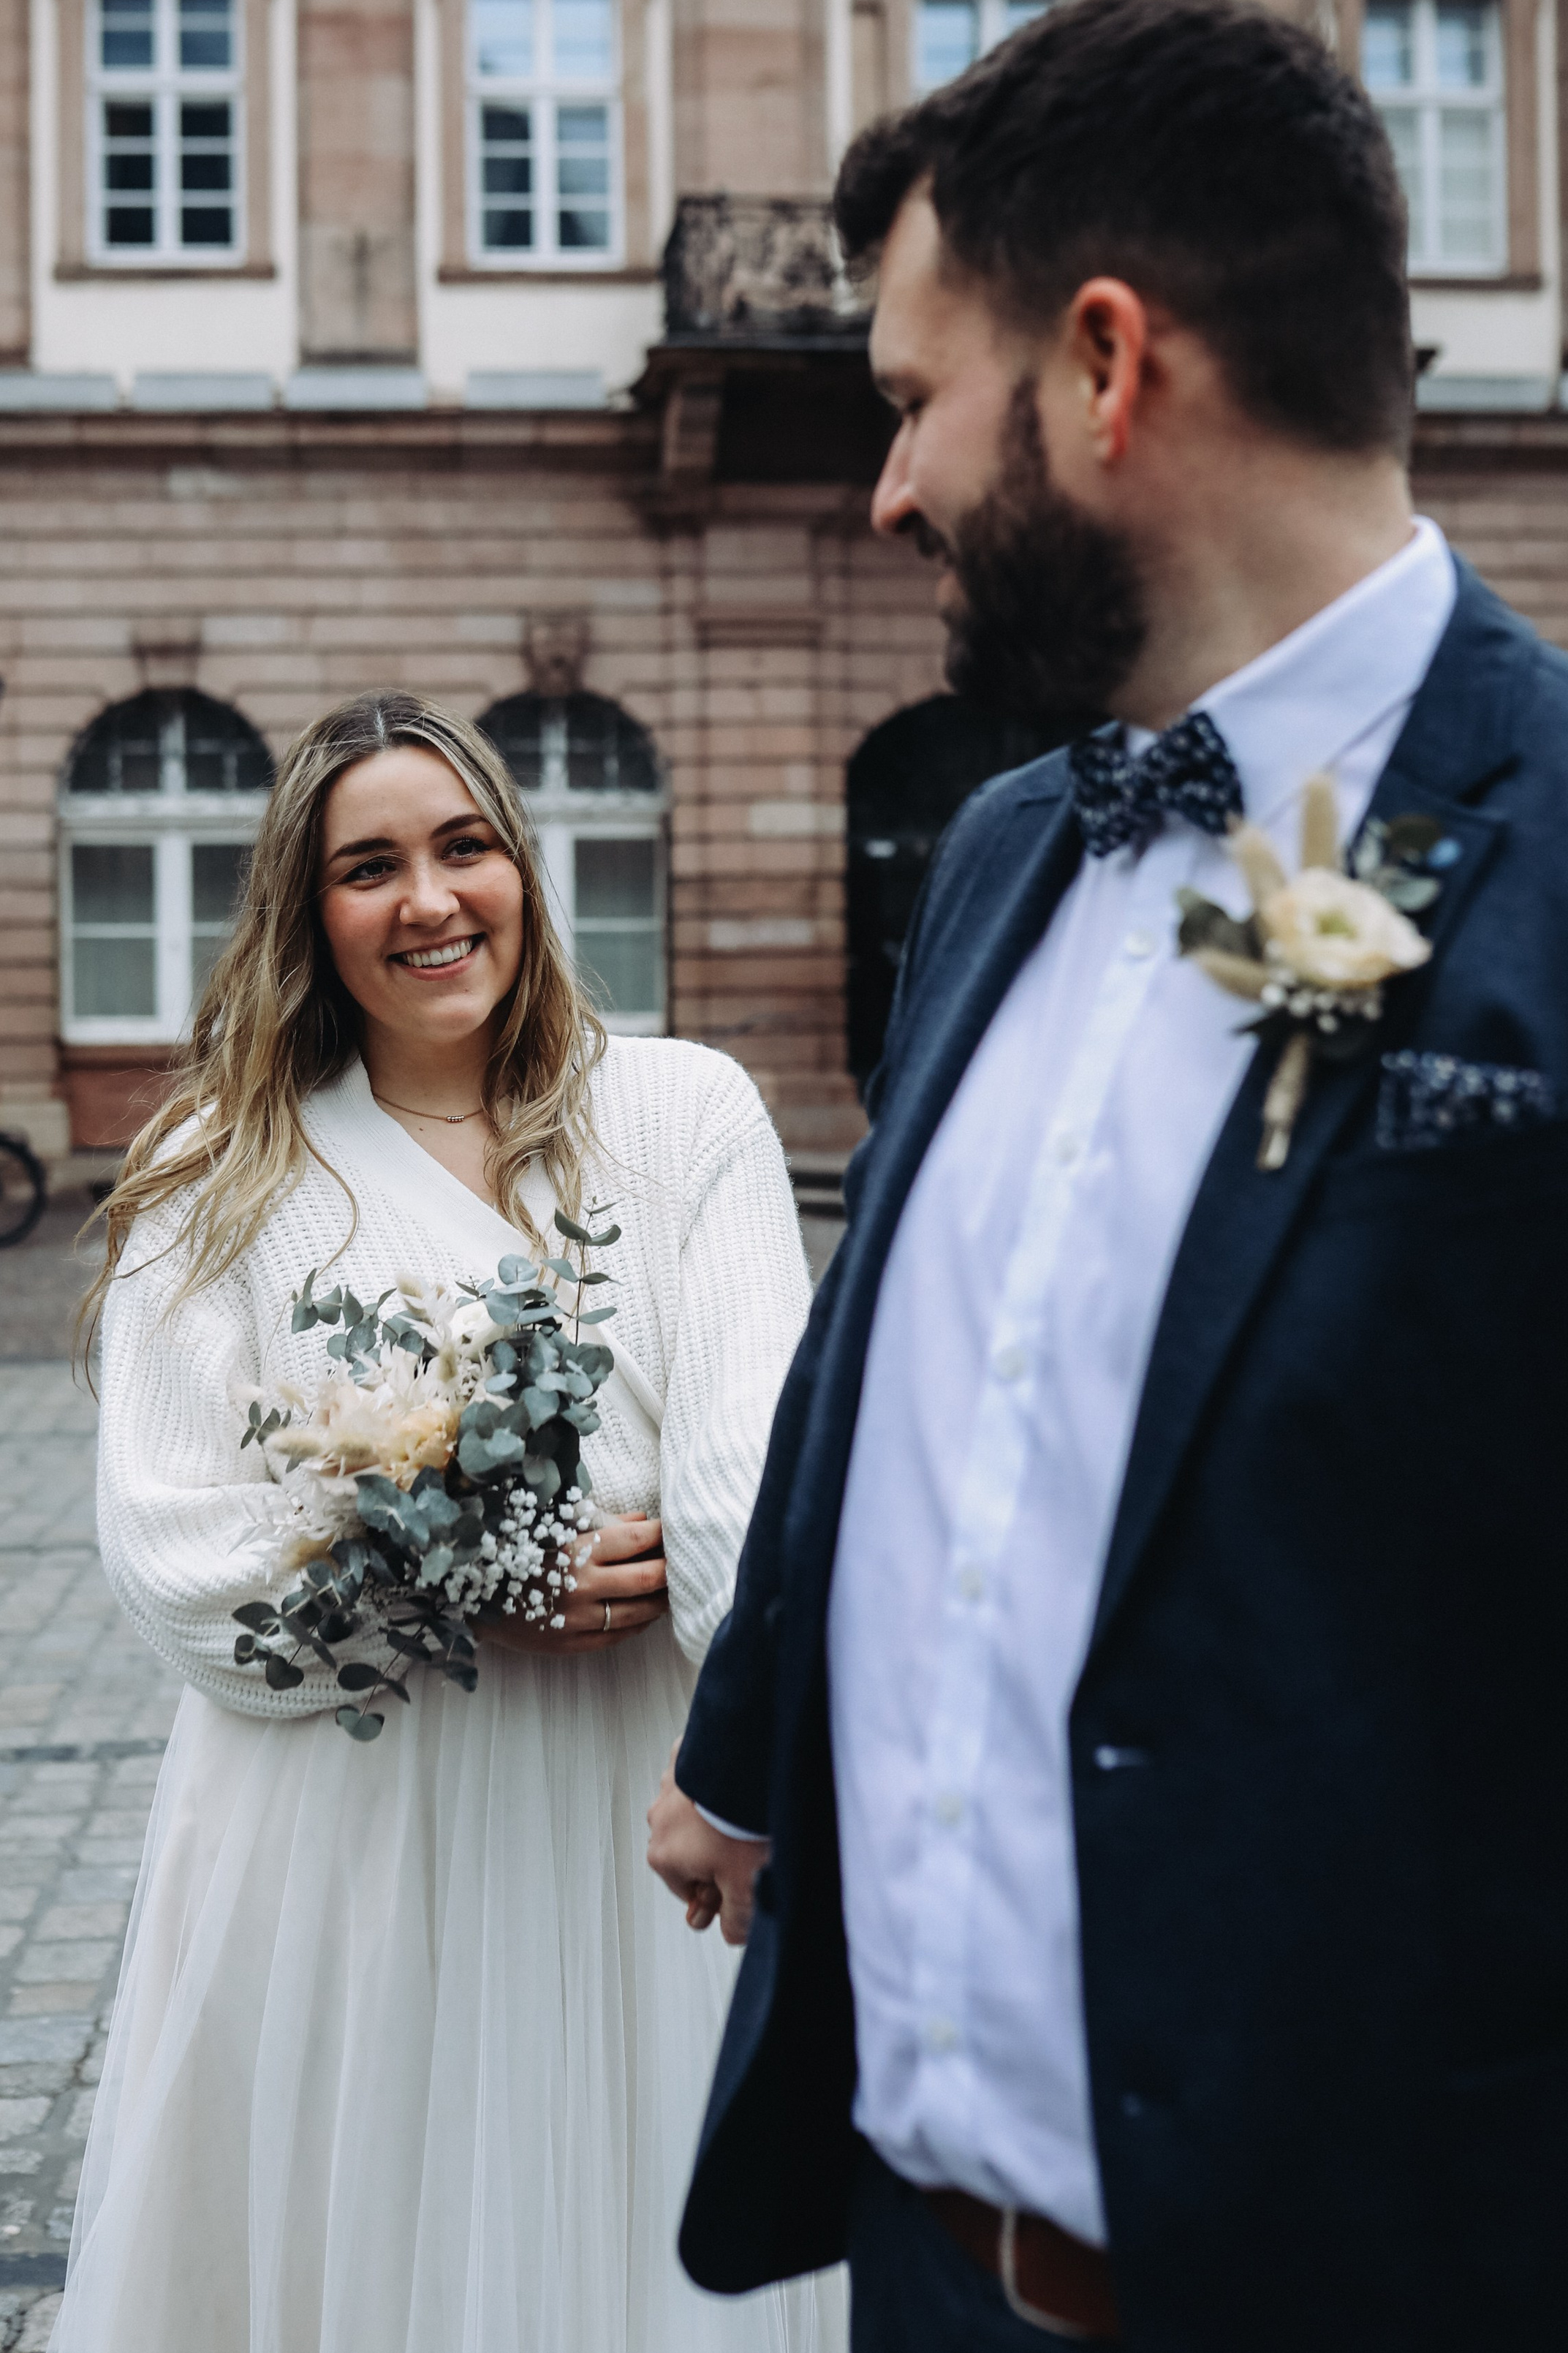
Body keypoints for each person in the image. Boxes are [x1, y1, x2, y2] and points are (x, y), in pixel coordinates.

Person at [646, 3, 1568, 2347]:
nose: (886, 490)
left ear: (1102, 368)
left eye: (909, 403)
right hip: (922, 2254)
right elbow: (902, 1357)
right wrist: (744, 1746)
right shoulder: (1000, 849)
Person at [56, 691, 846, 2353]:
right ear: (305, 910)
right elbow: (169, 1536)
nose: (428, 899)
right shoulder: (220, 1168)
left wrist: (760, 1764)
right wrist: (466, 1578)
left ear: (524, 872)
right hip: (344, 1828)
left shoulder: (683, 1114)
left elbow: (743, 1480)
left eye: (466, 845)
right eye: (369, 866)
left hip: (629, 1809)